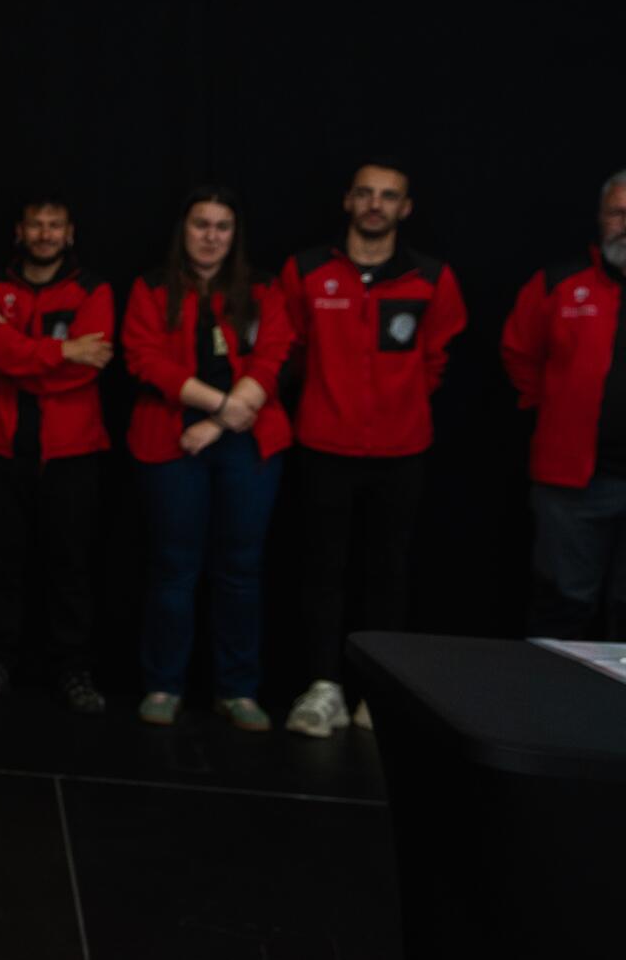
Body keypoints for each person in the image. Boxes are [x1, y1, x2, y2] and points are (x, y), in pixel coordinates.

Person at [278, 160, 466, 738]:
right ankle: (323, 687)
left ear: (405, 209)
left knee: (388, 574)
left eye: (388, 196)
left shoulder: (431, 276)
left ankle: (376, 694)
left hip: (400, 450)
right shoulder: (306, 269)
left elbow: (437, 357)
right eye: (365, 193)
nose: (375, 204)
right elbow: (290, 349)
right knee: (322, 570)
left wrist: (398, 405)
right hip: (323, 444)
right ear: (348, 201)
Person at [121, 185, 293, 731]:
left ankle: (237, 690)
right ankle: (164, 684)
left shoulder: (263, 287)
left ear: (235, 235)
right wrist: (219, 406)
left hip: (247, 441)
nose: (211, 237)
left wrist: (218, 424)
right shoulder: (151, 287)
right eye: (201, 225)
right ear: (184, 230)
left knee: (240, 570)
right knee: (173, 568)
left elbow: (274, 356)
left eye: (222, 226)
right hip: (170, 439)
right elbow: (144, 358)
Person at [0, 193, 114, 714]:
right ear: (19, 232)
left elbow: (87, 368)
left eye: (55, 226)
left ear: (69, 234)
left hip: (72, 451)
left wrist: (26, 359)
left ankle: (74, 670)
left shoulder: (93, 289)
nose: (45, 234)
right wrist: (63, 350)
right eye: (36, 225)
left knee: (71, 569)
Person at [502, 170, 626, 640]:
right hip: (573, 484)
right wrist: (556, 411)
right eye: (618, 213)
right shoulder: (558, 282)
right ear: (600, 218)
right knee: (562, 604)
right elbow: (519, 352)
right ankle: (547, 691)